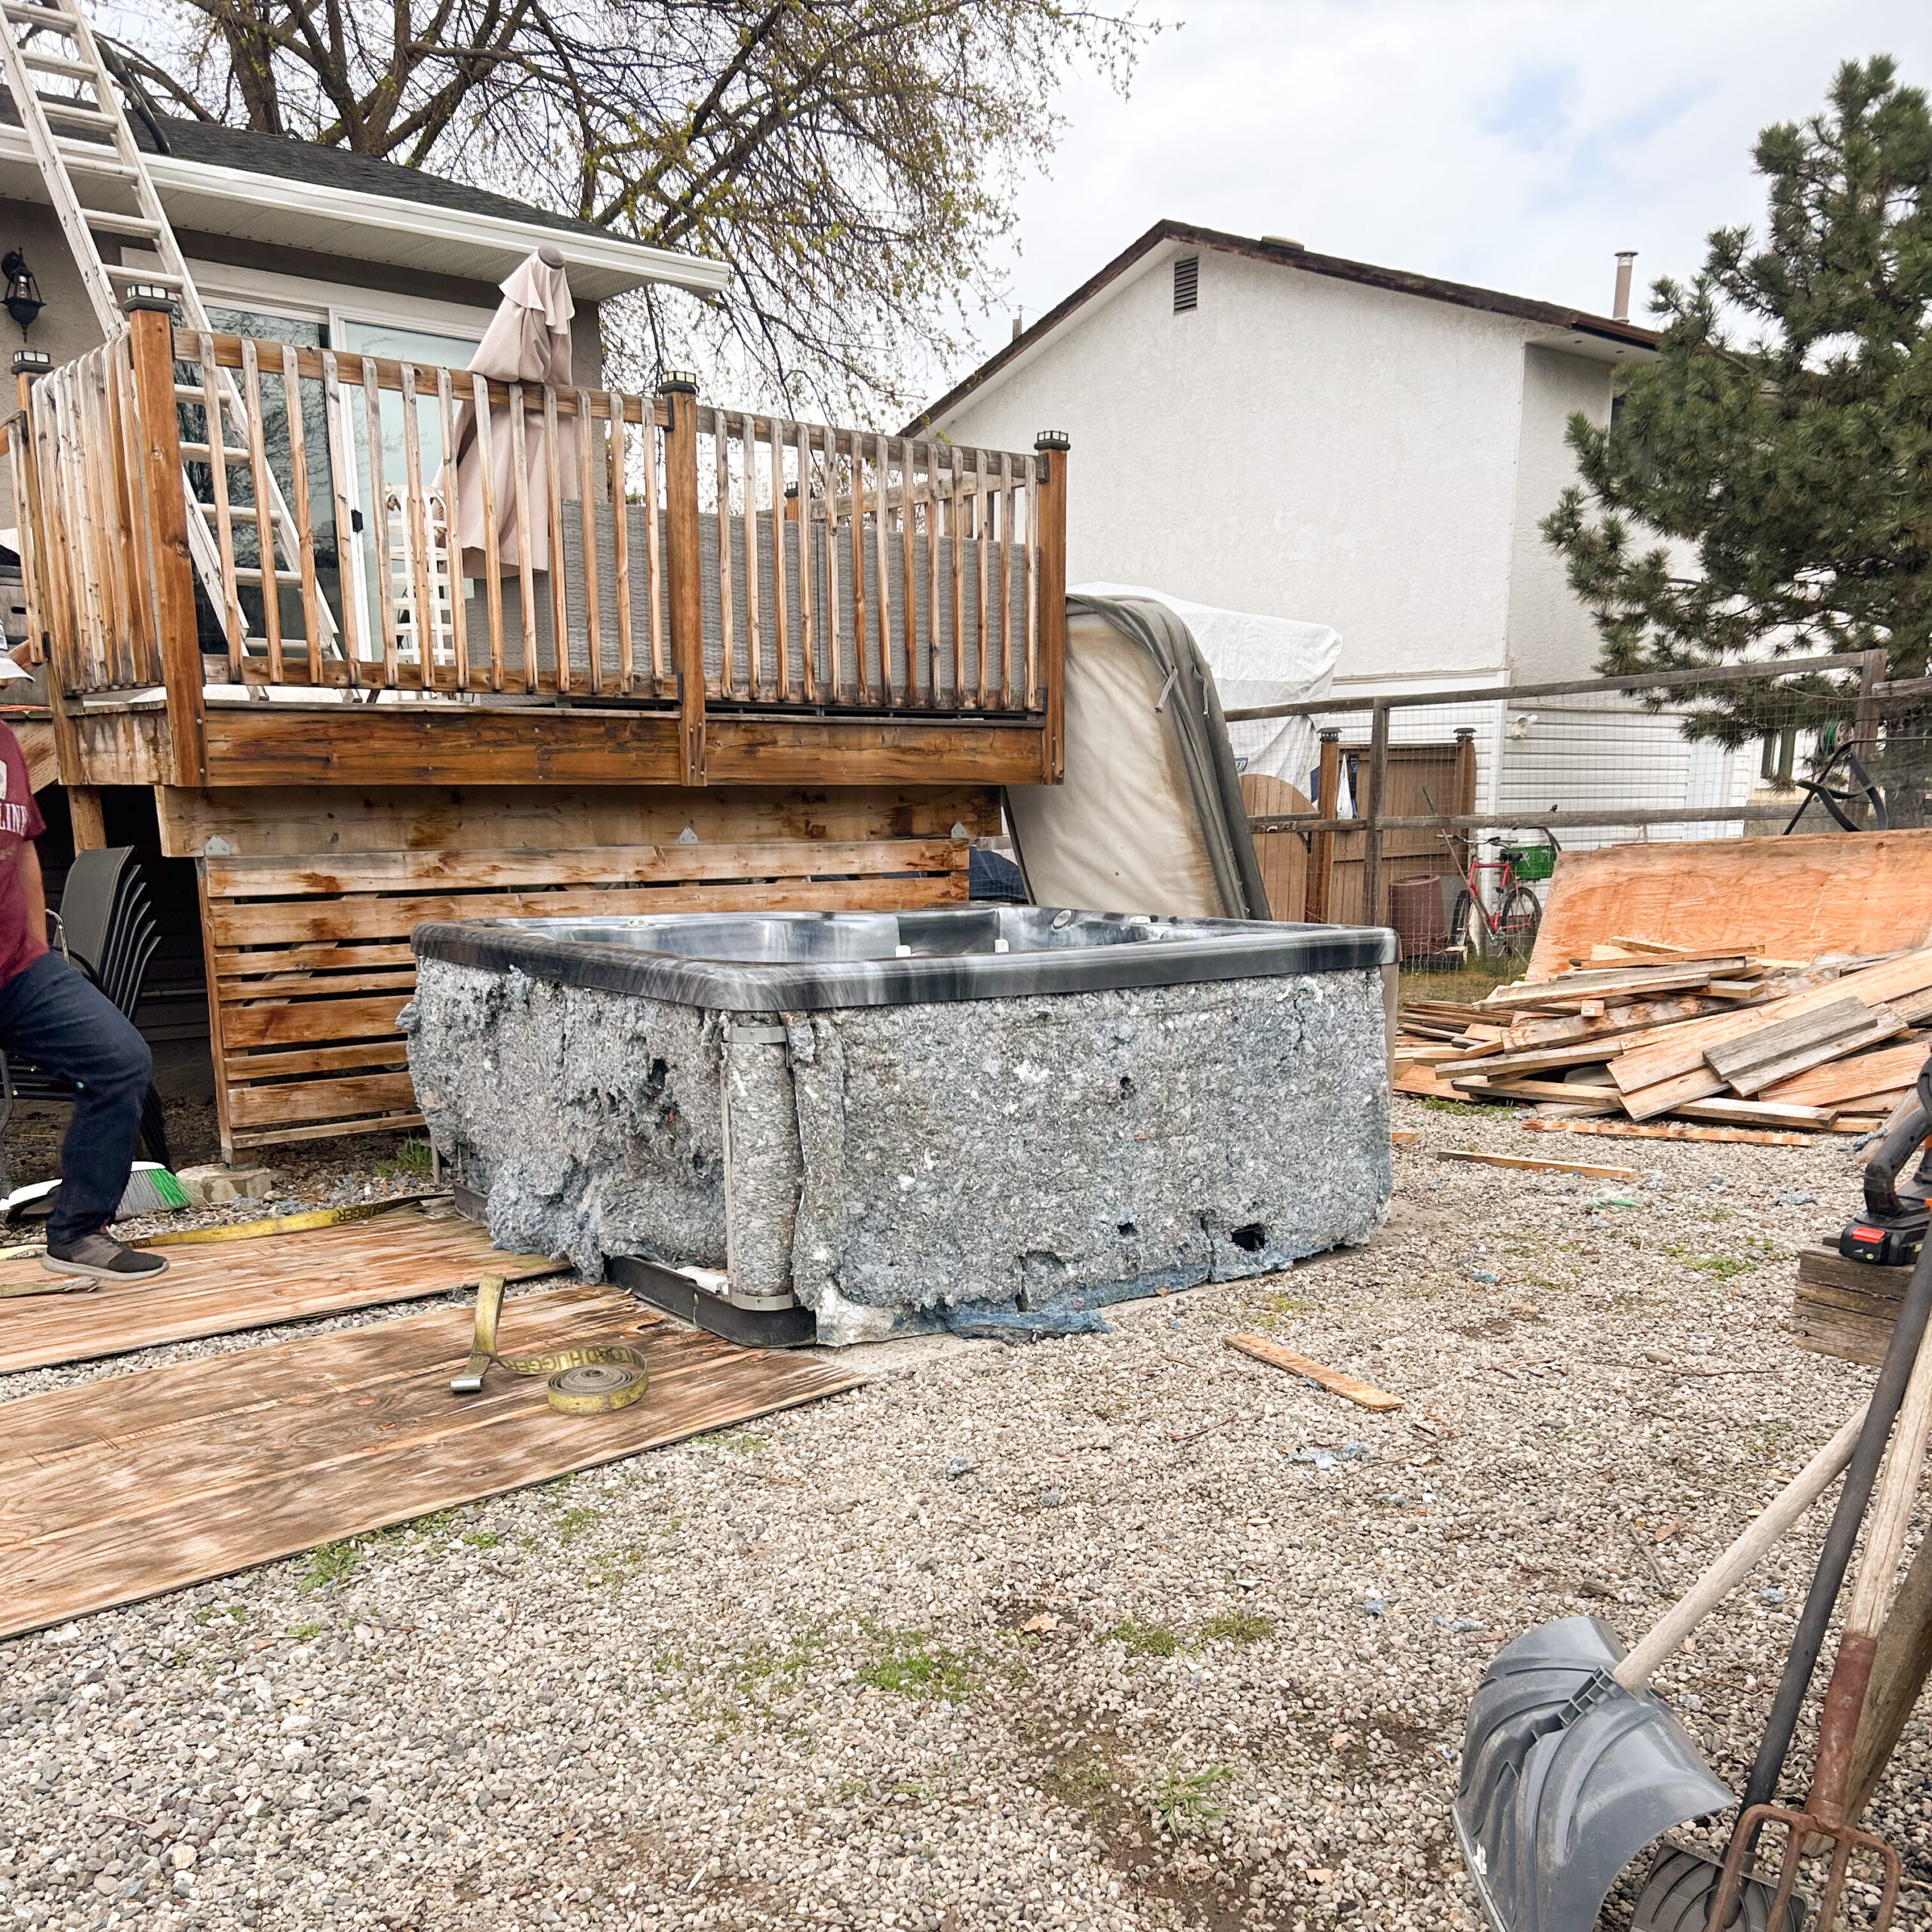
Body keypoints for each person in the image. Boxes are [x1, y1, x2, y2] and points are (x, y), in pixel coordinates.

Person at [0, 704, 167, 1280]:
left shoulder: (3, 740)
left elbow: (22, 842)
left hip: (17, 968)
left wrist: (38, 948)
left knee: (118, 1060)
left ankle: (77, 1233)